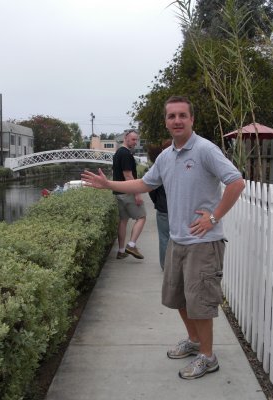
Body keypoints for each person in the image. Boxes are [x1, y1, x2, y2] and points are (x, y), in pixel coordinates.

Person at [82, 96, 245, 380]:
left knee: (200, 303)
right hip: (178, 240)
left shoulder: (205, 150)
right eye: (172, 116)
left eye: (183, 115)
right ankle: (194, 342)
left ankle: (208, 356)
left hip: (203, 243)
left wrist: (214, 217)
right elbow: (145, 183)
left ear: (191, 119)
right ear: (166, 122)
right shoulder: (167, 157)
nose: (177, 120)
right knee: (179, 298)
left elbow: (236, 181)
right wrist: (108, 184)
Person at [113, 130, 146, 260]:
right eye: (133, 139)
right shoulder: (126, 154)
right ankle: (131, 245)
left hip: (118, 192)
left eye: (136, 140)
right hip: (127, 192)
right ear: (126, 138)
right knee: (142, 217)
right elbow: (128, 175)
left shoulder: (117, 153)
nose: (135, 142)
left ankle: (121, 251)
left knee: (123, 220)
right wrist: (137, 193)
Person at [148, 141, 171, 271]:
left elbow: (150, 188)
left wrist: (157, 201)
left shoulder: (159, 166)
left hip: (163, 208)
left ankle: (165, 265)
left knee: (164, 238)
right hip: (178, 209)